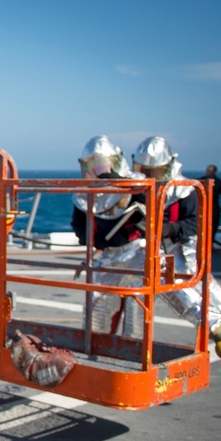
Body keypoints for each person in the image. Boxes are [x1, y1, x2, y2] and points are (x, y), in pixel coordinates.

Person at [133, 136, 221, 364]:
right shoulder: (146, 189)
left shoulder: (186, 190)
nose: (152, 176)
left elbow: (194, 223)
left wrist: (169, 229)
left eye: (157, 171)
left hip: (183, 247)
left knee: (187, 285)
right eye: (147, 171)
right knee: (199, 284)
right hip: (164, 249)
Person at [70, 135, 148, 337]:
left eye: (103, 166)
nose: (99, 172)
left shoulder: (137, 184)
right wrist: (93, 241)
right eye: (94, 167)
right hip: (109, 252)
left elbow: (149, 203)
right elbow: (78, 223)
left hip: (137, 250)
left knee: (137, 302)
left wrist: (121, 184)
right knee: (96, 302)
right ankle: (96, 346)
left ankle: (135, 349)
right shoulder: (84, 193)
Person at [199, 164, 221, 235]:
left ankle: (210, 244)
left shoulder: (219, 183)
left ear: (214, 172)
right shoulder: (201, 181)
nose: (207, 172)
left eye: (209, 171)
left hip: (214, 209)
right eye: (207, 170)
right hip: (202, 208)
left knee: (212, 229)